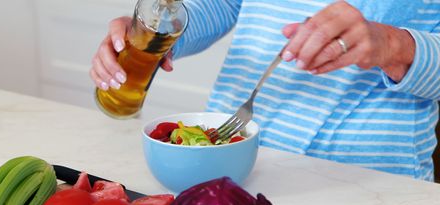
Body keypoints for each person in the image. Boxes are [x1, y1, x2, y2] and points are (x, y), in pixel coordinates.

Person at [89, 0, 440, 181]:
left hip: (369, 184)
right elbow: (224, 4)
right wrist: (157, 34)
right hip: (229, 159)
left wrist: (393, 45)